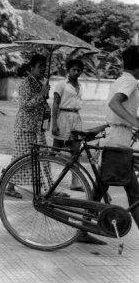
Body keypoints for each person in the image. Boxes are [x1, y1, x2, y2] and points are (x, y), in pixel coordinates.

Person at [102, 45, 139, 230]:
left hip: (115, 135)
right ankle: (82, 229)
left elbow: (121, 110)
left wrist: (134, 121)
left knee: (101, 185)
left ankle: (83, 229)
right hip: (118, 139)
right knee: (133, 192)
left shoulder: (122, 79)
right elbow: (115, 103)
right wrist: (135, 123)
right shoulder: (131, 82)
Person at [5, 54, 50, 198]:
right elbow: (26, 105)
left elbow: (40, 103)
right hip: (26, 126)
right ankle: (9, 186)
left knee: (43, 156)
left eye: (44, 66)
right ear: (32, 68)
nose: (43, 69)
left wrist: (44, 94)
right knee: (22, 157)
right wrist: (42, 94)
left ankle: (49, 187)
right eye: (40, 66)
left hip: (37, 126)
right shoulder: (26, 83)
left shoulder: (39, 82)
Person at [51, 59, 85, 190]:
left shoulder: (80, 86)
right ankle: (46, 176)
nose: (76, 72)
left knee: (76, 151)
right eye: (74, 70)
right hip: (63, 117)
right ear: (68, 70)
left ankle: (75, 182)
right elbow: (55, 104)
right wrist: (54, 123)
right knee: (55, 150)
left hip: (76, 118)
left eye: (79, 70)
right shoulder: (61, 84)